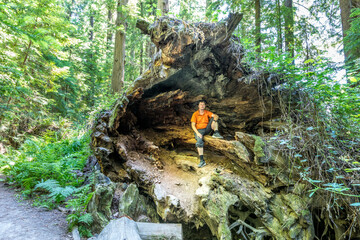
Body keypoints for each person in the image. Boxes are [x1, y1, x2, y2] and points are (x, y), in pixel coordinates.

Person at [191, 100, 223, 168]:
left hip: (207, 129)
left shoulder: (206, 112)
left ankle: (216, 133)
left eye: (203, 104)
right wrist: (197, 133)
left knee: (214, 118)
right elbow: (193, 125)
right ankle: (202, 161)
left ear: (205, 106)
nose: (202, 106)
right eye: (201, 104)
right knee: (199, 142)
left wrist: (214, 120)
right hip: (199, 130)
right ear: (198, 106)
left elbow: (216, 116)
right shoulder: (195, 114)